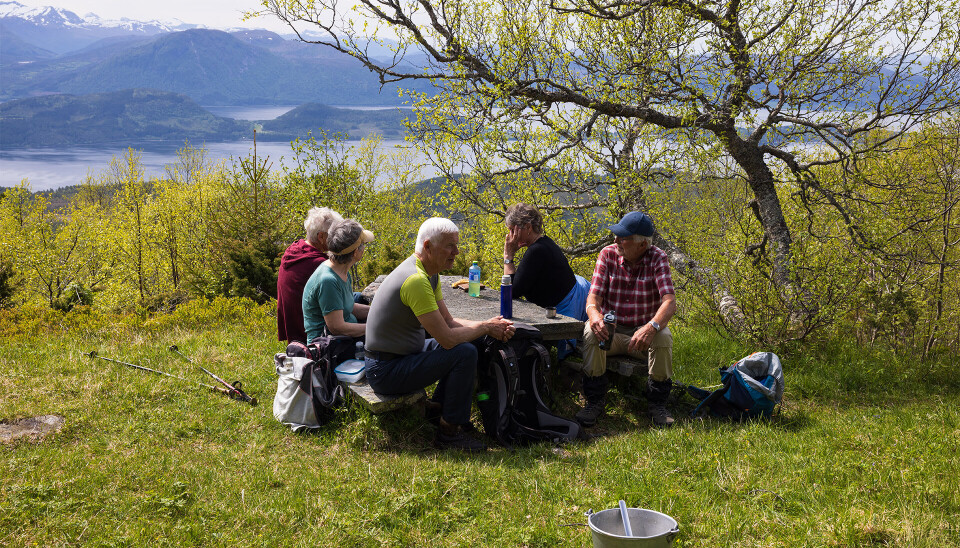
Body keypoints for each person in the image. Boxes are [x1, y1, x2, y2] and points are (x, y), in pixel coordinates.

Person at [364, 217, 516, 452]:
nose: (456, 251)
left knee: (470, 343)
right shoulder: (415, 280)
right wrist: (486, 327)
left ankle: (440, 409)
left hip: (401, 355)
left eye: (456, 245)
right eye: (449, 246)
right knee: (463, 352)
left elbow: (448, 321)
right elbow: (446, 338)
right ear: (427, 246)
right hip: (385, 370)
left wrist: (488, 324)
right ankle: (449, 432)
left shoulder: (428, 272)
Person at [578, 211, 678, 428]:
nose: (616, 240)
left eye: (623, 237)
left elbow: (669, 302)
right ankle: (594, 401)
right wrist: (595, 316)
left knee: (663, 335)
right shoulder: (608, 254)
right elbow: (593, 297)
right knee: (590, 331)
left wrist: (651, 327)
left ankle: (657, 404)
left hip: (642, 336)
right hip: (611, 333)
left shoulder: (657, 257)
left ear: (642, 244)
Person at [502, 203, 590, 357]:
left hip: (568, 306)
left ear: (528, 227)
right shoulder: (543, 243)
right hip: (576, 293)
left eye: (512, 230)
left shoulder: (536, 251)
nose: (510, 236)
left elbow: (511, 291)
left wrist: (508, 257)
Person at [276, 207, 343, 343]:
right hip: (311, 334)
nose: (337, 237)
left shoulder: (294, 250)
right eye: (334, 234)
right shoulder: (319, 265)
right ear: (321, 237)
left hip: (293, 328)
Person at [301, 219, 374, 342]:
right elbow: (337, 328)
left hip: (344, 339)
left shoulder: (341, 269)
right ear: (355, 252)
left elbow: (348, 307)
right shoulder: (328, 281)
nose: (364, 248)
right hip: (330, 348)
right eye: (363, 245)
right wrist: (376, 327)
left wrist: (380, 312)